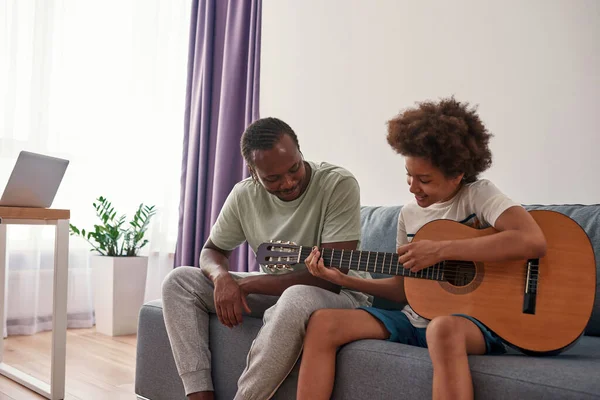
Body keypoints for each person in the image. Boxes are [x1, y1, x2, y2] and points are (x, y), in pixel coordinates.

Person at [298, 97, 547, 400]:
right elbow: (404, 289)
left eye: (424, 179)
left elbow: (532, 240)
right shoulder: (409, 215)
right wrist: (343, 280)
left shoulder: (478, 196)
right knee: (323, 322)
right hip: (415, 318)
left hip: (477, 323)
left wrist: (442, 250)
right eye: (409, 175)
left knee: (441, 330)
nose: (413, 187)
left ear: (456, 174)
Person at [161, 117, 371, 400]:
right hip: (280, 293)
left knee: (296, 297)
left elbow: (332, 276)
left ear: (299, 151)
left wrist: (249, 285)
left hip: (340, 295)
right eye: (272, 178)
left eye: (294, 168)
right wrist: (222, 278)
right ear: (253, 171)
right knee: (179, 282)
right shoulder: (244, 195)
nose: (288, 182)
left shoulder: (337, 184)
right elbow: (212, 250)